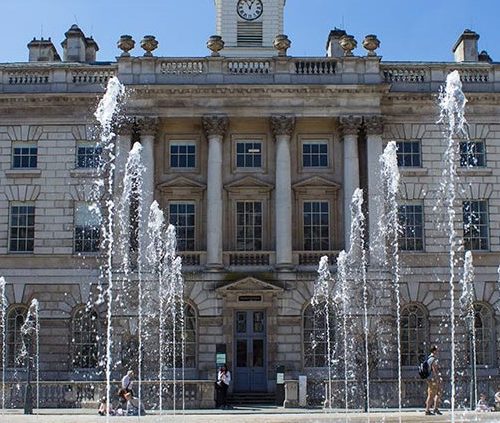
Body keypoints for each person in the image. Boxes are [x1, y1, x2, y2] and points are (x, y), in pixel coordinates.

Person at [424, 345, 443, 416]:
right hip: (433, 379)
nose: (438, 351)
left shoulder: (429, 358)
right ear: (434, 351)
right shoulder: (433, 359)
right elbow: (434, 369)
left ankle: (435, 408)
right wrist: (438, 378)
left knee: (438, 393)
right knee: (431, 395)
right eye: (437, 350)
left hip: (430, 378)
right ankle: (427, 410)